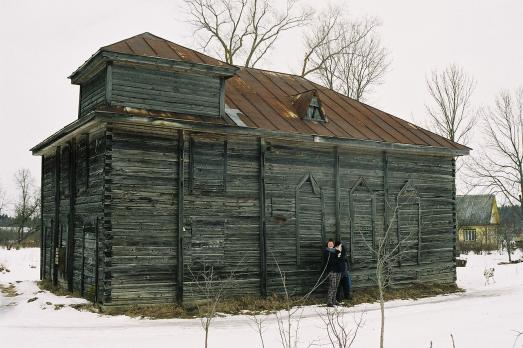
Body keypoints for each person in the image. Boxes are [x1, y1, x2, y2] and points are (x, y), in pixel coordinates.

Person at [324, 239, 343, 307]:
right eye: (329, 244)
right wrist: (337, 257)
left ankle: (334, 300)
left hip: (338, 270)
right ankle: (329, 301)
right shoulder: (326, 251)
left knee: (336, 286)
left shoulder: (337, 251)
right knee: (332, 285)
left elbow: (340, 260)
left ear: (333, 244)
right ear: (328, 245)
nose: (330, 245)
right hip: (331, 271)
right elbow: (331, 261)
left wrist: (338, 254)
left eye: (331, 244)